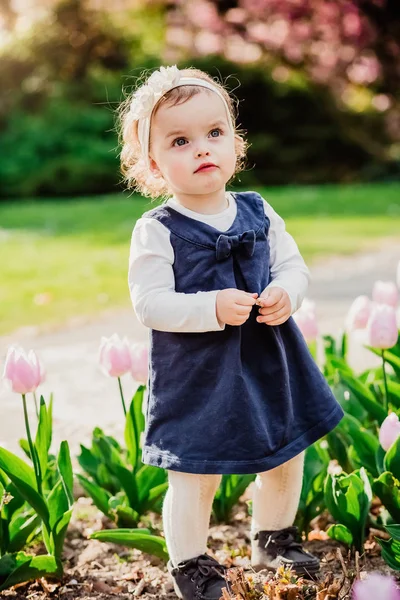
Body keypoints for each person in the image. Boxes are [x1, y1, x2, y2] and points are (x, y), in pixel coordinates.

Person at [120, 65, 344, 600]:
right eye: (180, 140)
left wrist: (288, 292)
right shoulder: (157, 229)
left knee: (287, 451)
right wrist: (211, 306)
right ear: (153, 163)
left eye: (214, 133)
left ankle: (273, 538)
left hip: (270, 356)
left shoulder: (259, 211)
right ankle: (190, 563)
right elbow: (149, 304)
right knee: (196, 471)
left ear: (235, 144)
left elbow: (293, 266)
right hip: (198, 372)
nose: (202, 148)